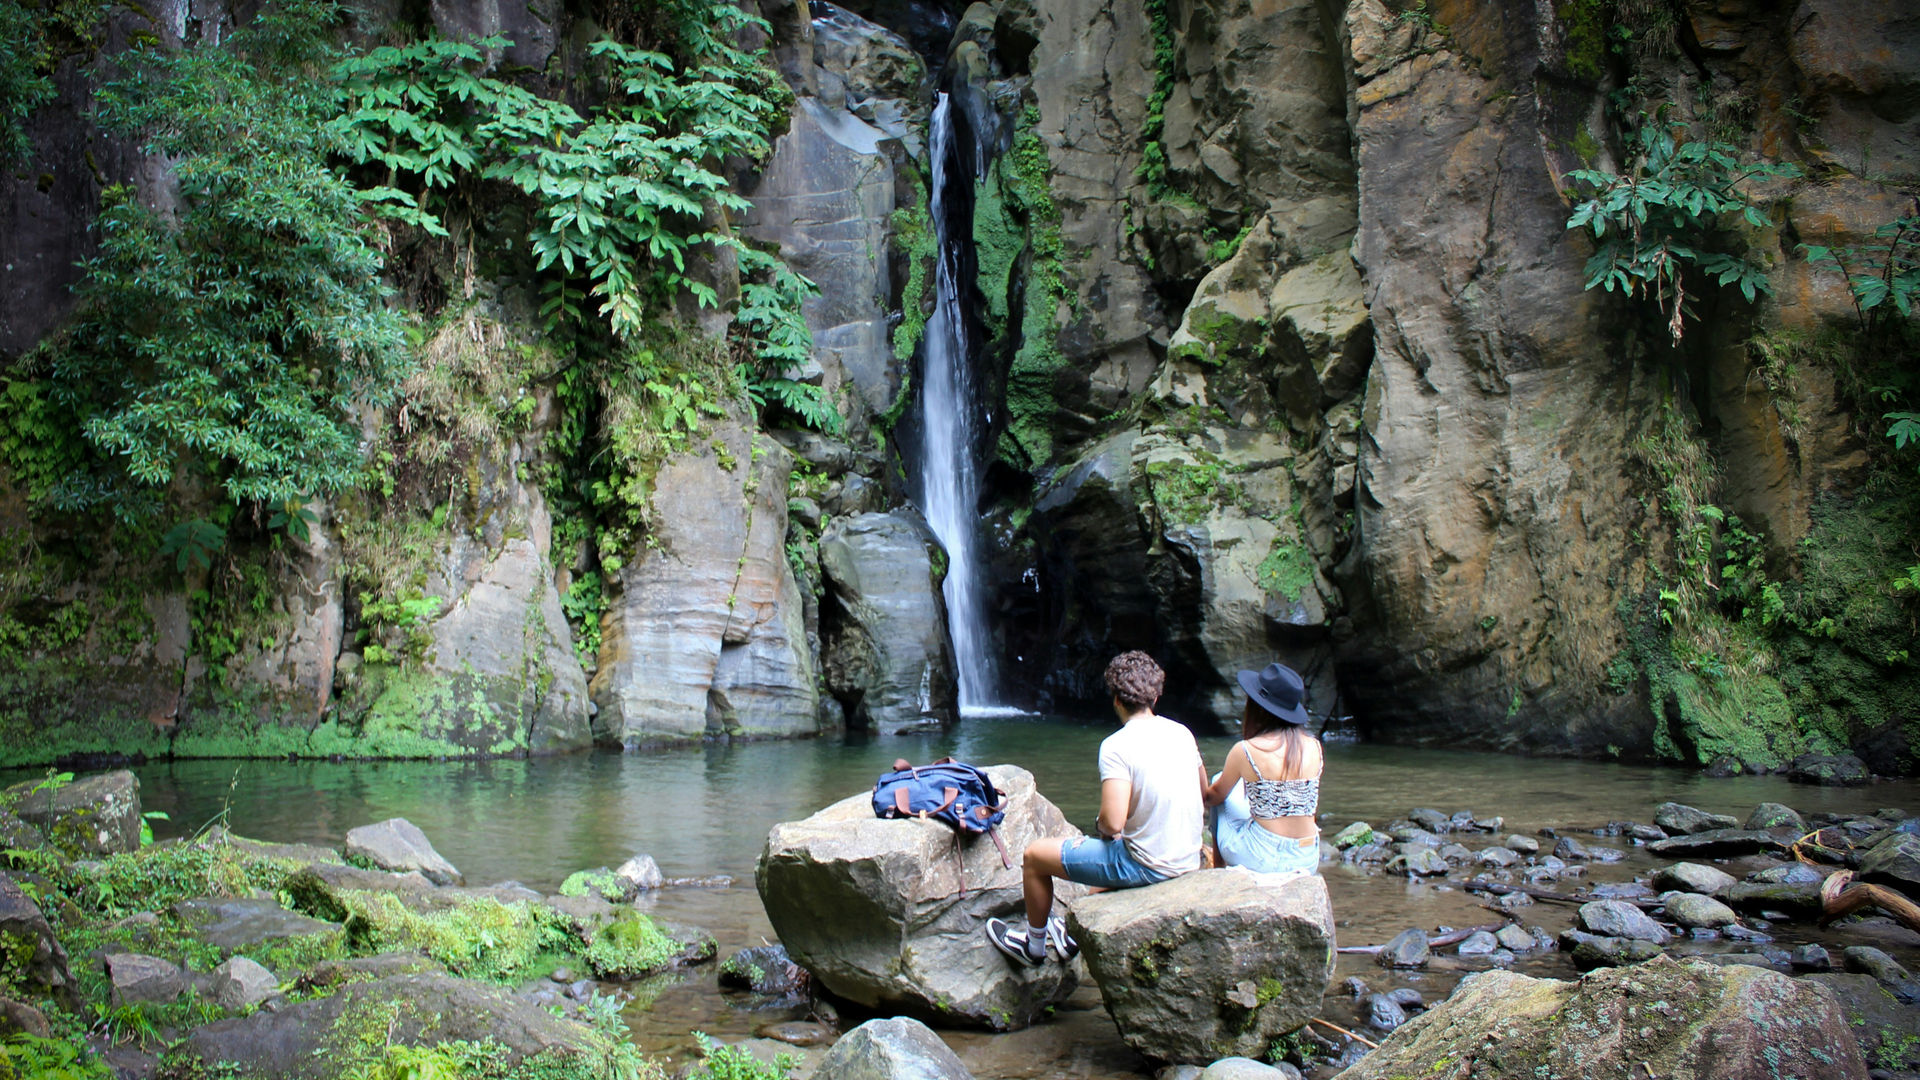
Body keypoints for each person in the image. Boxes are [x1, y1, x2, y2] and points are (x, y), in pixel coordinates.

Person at [986, 651, 1206, 966]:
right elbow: (1202, 792)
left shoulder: (1117, 746)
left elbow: (1113, 823)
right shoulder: (1181, 732)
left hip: (1151, 866)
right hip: (1186, 858)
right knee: (1104, 863)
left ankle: (1033, 947)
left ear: (1116, 700)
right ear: (1156, 697)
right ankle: (1069, 933)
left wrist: (1102, 827)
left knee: (1035, 856)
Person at [1203, 661, 1323, 877]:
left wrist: (1197, 773)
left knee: (1218, 781)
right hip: (1308, 856)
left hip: (1263, 858)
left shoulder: (1246, 750)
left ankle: (1218, 872)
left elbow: (1212, 798)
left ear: (1257, 707)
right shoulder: (1314, 746)